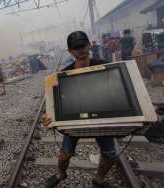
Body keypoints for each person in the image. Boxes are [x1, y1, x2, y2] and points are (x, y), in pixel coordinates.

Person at [45, 31, 116, 188]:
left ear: (89, 45)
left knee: (110, 154)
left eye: (83, 46)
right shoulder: (64, 74)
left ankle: (98, 180)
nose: (81, 50)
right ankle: (60, 174)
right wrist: (49, 116)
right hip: (74, 119)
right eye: (76, 48)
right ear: (70, 51)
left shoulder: (103, 65)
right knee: (64, 155)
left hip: (101, 117)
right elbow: (55, 101)